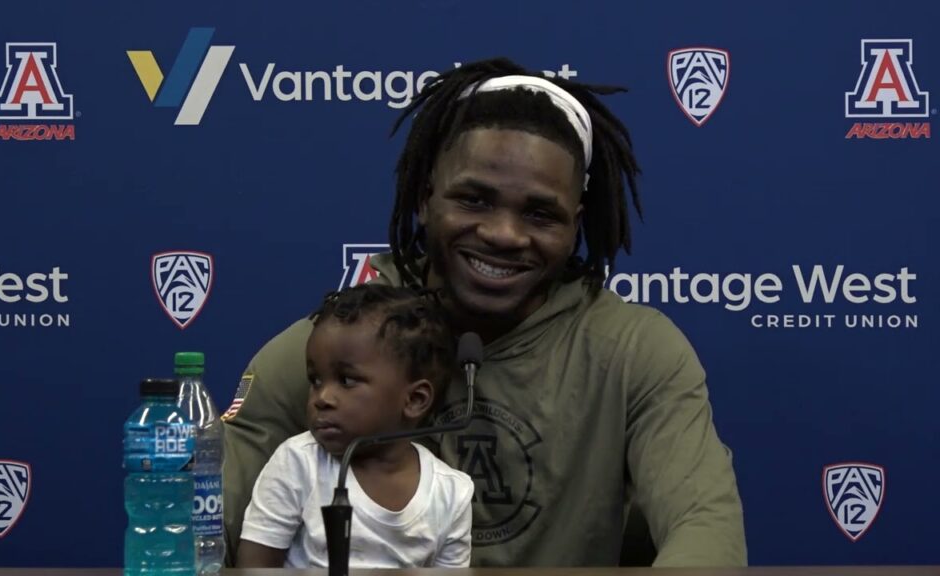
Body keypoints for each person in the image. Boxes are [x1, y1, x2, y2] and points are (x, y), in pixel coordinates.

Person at [222, 57, 747, 567]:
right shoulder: (340, 343)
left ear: (576, 226)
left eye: (540, 213)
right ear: (426, 199)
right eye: (474, 200)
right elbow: (206, 517)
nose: (504, 234)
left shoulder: (635, 352)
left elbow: (705, 527)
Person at [236, 284, 474, 568]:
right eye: (315, 380)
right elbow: (254, 568)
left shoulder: (451, 494)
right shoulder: (298, 463)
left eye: (347, 381)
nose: (322, 398)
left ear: (414, 399)